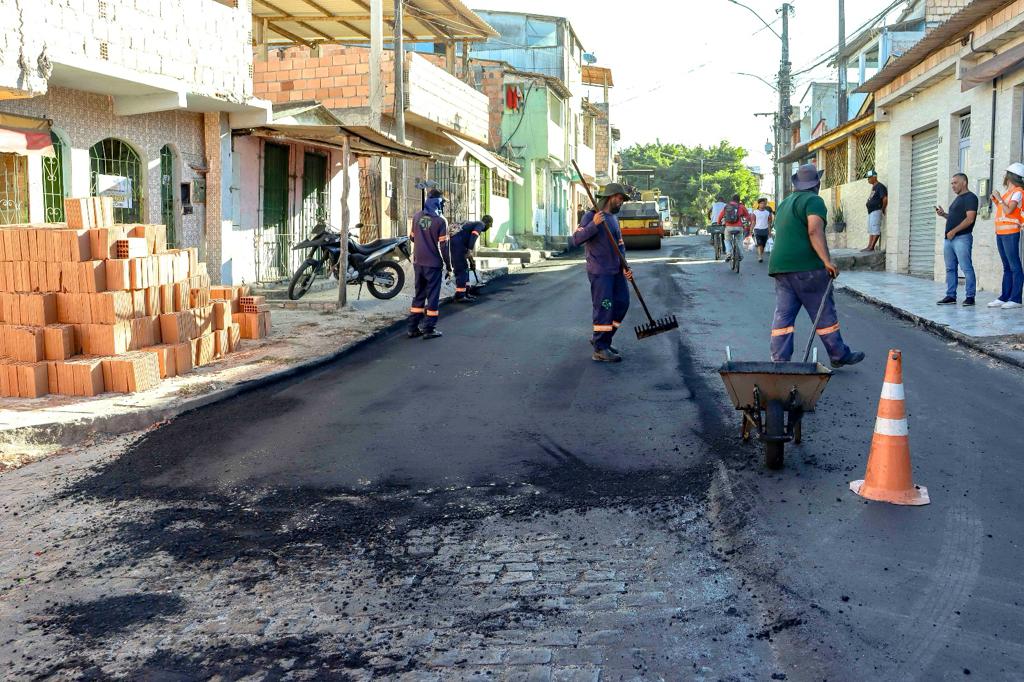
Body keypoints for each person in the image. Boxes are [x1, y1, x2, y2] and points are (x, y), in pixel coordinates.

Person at [769, 164, 865, 368]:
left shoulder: (785, 203)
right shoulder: (814, 200)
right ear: (817, 184)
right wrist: (827, 261)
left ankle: (779, 361)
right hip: (807, 268)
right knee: (823, 313)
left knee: (783, 316)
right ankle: (838, 354)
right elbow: (814, 230)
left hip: (780, 268)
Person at [570, 183, 634, 363]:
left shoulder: (613, 218)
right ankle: (600, 349)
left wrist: (625, 267)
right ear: (611, 197)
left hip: (616, 270)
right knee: (604, 307)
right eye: (620, 198)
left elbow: (620, 245)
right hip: (600, 272)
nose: (621, 202)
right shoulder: (592, 216)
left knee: (622, 303)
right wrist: (594, 225)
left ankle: (603, 339)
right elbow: (576, 239)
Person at [407, 190, 449, 339]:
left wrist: (422, 240)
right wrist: (448, 266)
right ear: (438, 203)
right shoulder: (441, 220)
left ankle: (413, 328)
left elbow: (412, 238)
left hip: (418, 262)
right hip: (433, 264)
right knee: (432, 296)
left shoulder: (417, 216)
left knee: (419, 294)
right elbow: (444, 246)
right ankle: (429, 329)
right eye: (442, 202)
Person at [935, 173, 978, 306]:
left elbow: (970, 219)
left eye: (955, 183)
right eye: (952, 183)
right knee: (950, 269)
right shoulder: (958, 199)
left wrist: (953, 231)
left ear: (964, 182)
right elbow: (956, 218)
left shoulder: (970, 197)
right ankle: (950, 296)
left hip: (961, 238)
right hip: (949, 239)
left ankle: (970, 297)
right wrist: (944, 215)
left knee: (966, 268)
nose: (952, 186)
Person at [989, 163, 1024, 309]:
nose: (1004, 177)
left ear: (1010, 176)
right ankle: (1004, 297)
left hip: (1011, 233)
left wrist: (999, 198)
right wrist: (997, 201)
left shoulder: (1019, 191)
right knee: (1007, 266)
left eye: (1006, 174)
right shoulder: (1008, 193)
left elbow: (1009, 210)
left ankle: (1015, 299)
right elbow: (1003, 210)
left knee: (1014, 266)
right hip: (1001, 233)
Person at [449, 215, 492, 302]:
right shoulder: (481, 224)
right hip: (458, 244)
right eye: (490, 225)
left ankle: (466, 293)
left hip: (459, 244)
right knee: (461, 269)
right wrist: (470, 250)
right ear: (487, 223)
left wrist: (471, 261)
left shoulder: (472, 225)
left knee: (465, 267)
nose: (489, 227)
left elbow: (468, 242)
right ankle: (460, 296)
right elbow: (474, 235)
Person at [717, 194, 751, 261]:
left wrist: (719, 223)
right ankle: (740, 255)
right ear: (739, 200)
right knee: (739, 241)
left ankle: (729, 254)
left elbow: (720, 216)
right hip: (739, 227)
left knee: (727, 240)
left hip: (728, 227)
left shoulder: (727, 206)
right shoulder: (741, 206)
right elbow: (748, 217)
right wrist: (747, 222)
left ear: (731, 199)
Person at [863, 170, 887, 252]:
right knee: (871, 229)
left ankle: (872, 247)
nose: (868, 180)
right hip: (871, 211)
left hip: (876, 210)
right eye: (868, 178)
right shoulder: (874, 187)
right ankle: (869, 246)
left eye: (869, 178)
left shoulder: (880, 186)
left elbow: (885, 198)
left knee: (875, 228)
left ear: (874, 177)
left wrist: (883, 208)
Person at [751, 197, 774, 263]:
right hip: (757, 230)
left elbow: (769, 223)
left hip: (765, 230)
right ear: (759, 204)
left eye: (764, 203)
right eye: (761, 203)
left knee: (763, 245)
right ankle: (760, 256)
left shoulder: (767, 213)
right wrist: (751, 230)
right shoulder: (755, 212)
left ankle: (761, 254)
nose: (763, 205)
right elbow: (753, 222)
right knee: (759, 244)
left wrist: (769, 232)